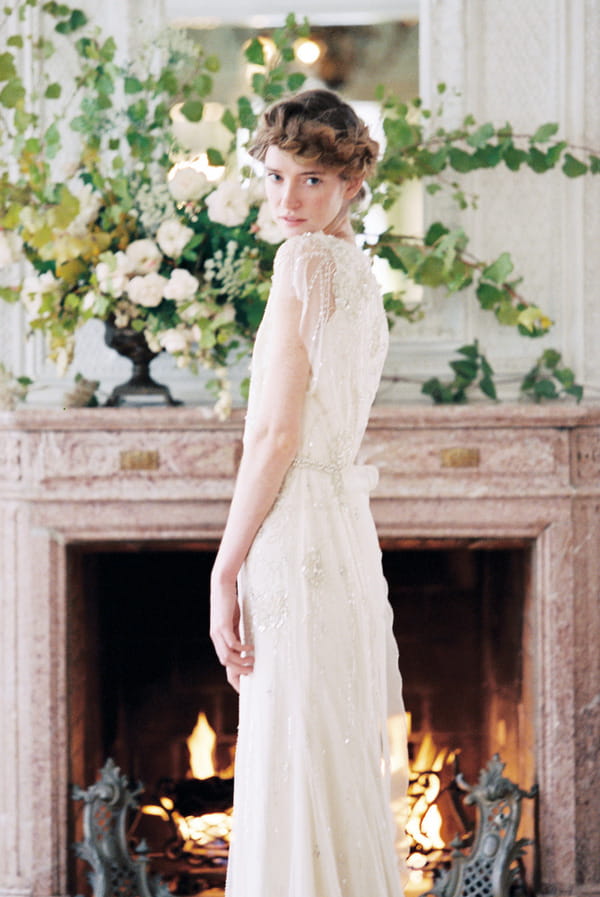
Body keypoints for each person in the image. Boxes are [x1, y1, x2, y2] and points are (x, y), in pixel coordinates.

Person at [210, 88, 408, 897]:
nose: (288, 200)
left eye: (312, 181)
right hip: (340, 530)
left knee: (296, 744)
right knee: (325, 743)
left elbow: (274, 437)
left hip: (296, 532)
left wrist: (224, 566)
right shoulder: (360, 273)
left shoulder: (303, 262)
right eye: (276, 177)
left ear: (352, 183)